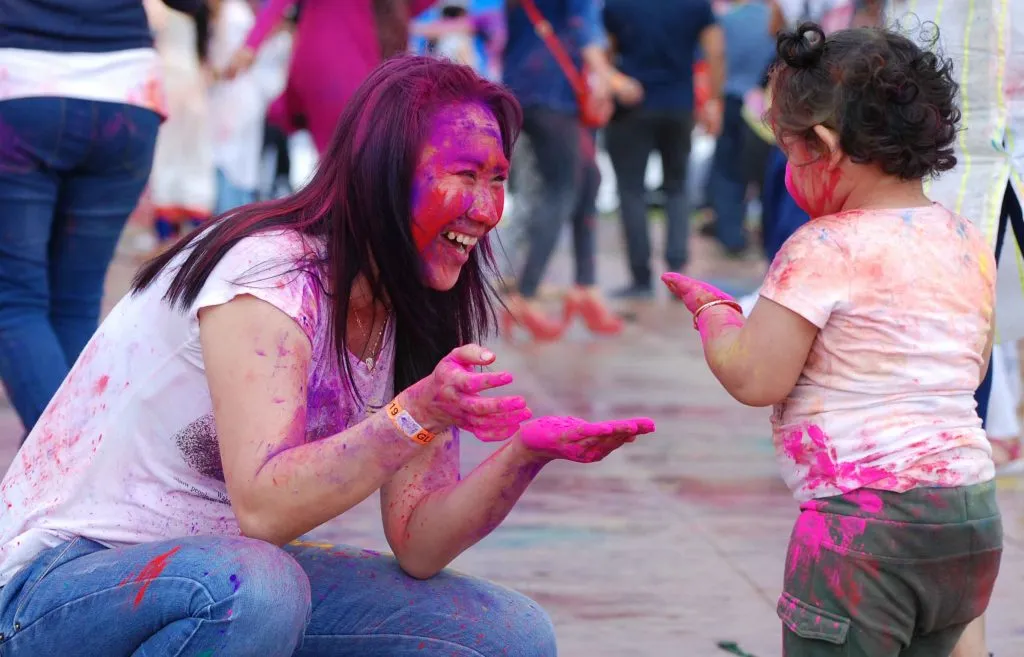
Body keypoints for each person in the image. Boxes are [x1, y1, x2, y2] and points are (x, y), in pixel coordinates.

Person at [0, 56, 655, 655]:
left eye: (498, 179)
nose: (486, 210)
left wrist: (522, 455)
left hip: (224, 582)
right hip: (57, 588)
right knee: (258, 585)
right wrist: (410, 414)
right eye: (465, 175)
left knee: (509, 636)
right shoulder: (270, 276)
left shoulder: (419, 299)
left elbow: (419, 540)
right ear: (386, 173)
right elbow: (264, 508)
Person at [663, 24, 1001, 656]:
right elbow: (971, 364)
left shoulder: (822, 246)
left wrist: (715, 313)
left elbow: (756, 377)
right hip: (968, 517)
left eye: (788, 153)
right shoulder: (964, 241)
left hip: (863, 532)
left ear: (823, 145)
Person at [0, 0, 202, 438]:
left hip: (19, 90)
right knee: (74, 301)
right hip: (125, 97)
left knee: (14, 300)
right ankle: (73, 472)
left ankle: (69, 467)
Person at [602, 0, 725, 298]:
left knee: (631, 191)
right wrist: (714, 100)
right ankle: (677, 274)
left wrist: (614, 84)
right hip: (678, 105)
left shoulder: (617, 4)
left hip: (632, 106)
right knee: (677, 188)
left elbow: (605, 51)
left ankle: (640, 278)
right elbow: (716, 51)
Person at [223, 0, 438, 154]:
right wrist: (250, 46)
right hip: (347, 64)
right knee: (352, 160)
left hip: (328, 61)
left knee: (340, 162)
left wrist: (250, 47)